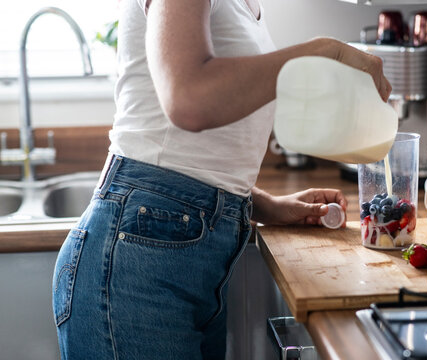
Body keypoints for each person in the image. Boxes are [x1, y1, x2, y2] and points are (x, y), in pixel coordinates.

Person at [52, 0, 392, 359]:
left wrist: (262, 205)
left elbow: (194, 156)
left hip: (184, 247)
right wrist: (324, 51)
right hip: (137, 258)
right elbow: (188, 99)